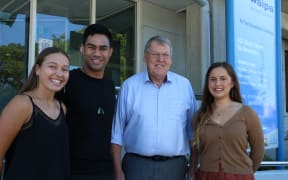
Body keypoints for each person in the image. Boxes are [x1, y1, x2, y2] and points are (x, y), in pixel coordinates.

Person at [111, 35, 198, 180]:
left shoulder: (184, 86)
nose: (160, 60)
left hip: (174, 168)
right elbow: (117, 133)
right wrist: (118, 171)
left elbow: (192, 132)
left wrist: (193, 166)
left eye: (165, 55)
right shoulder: (129, 86)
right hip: (136, 167)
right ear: (145, 57)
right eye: (155, 55)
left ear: (171, 60)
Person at [0, 47, 70, 180]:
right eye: (52, 67)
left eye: (65, 69)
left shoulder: (62, 108)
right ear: (38, 69)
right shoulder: (22, 104)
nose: (59, 73)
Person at [57, 23, 116, 180]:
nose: (97, 53)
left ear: (110, 52)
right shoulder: (67, 81)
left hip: (106, 172)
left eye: (103, 48)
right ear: (82, 49)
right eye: (91, 47)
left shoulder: (111, 87)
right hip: (73, 172)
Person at [187, 62, 265, 180]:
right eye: (213, 79)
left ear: (232, 83)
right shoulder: (199, 116)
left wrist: (245, 172)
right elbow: (195, 148)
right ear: (208, 83)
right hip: (206, 176)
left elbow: (258, 150)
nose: (217, 83)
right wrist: (192, 168)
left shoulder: (247, 113)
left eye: (223, 79)